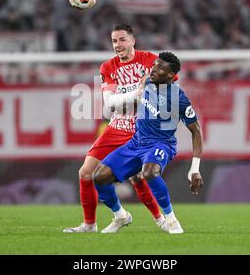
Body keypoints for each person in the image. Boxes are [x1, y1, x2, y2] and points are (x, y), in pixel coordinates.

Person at [63, 24, 167, 233]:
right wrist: (136, 95)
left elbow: (171, 85)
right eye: (114, 41)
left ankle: (161, 219)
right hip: (116, 127)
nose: (118, 45)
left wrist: (153, 91)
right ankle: (92, 224)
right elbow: (110, 103)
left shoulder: (150, 60)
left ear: (132, 41)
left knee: (137, 177)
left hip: (141, 130)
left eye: (122, 39)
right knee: (85, 172)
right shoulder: (108, 67)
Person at [92, 51, 204, 234]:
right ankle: (120, 216)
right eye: (155, 64)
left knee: (149, 172)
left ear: (170, 75)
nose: (154, 69)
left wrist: (195, 168)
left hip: (161, 144)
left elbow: (196, 131)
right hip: (136, 143)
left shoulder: (179, 97)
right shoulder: (147, 81)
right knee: (99, 177)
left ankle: (171, 220)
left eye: (160, 67)